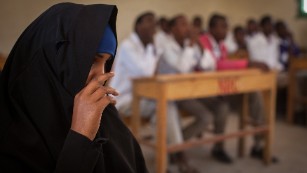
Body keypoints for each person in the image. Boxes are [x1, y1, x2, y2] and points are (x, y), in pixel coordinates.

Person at [0, 3, 148, 173]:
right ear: (54, 58)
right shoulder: (12, 135)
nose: (101, 76)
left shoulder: (104, 115)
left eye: (106, 63)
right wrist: (81, 138)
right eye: (92, 60)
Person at [110, 12, 185, 172]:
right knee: (165, 108)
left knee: (166, 109)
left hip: (142, 98)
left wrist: (153, 49)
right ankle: (176, 154)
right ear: (138, 25)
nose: (154, 26)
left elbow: (154, 75)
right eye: (149, 21)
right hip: (122, 100)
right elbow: (144, 74)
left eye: (155, 22)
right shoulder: (128, 46)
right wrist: (155, 50)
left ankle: (167, 157)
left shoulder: (148, 47)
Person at [158, 14, 232, 167]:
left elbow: (209, 64)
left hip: (192, 91)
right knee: (206, 117)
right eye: (183, 24)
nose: (188, 27)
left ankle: (218, 147)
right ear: (173, 29)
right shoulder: (165, 46)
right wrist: (192, 44)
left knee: (222, 107)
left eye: (188, 24)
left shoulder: (190, 44)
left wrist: (198, 43)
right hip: (173, 93)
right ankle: (174, 148)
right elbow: (182, 69)